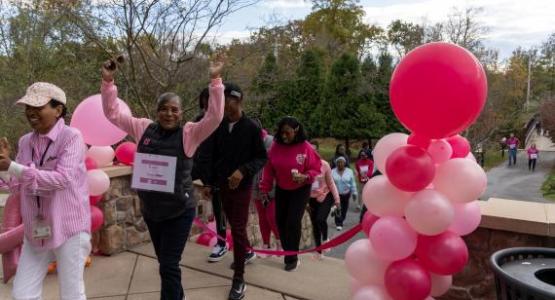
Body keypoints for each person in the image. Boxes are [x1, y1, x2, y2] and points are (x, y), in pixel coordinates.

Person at [101, 57, 224, 300]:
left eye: (174, 109)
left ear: (181, 113)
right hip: (153, 211)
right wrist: (108, 81)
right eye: (164, 108)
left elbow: (214, 118)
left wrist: (216, 81)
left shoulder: (190, 133)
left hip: (179, 211)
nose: (169, 113)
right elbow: (113, 113)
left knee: (168, 265)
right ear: (157, 111)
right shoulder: (143, 128)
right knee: (166, 265)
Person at [0, 82, 91, 300]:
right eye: (27, 106)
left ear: (58, 110)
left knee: (71, 293)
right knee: (22, 294)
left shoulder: (72, 137)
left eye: (38, 106)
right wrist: (4, 169)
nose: (31, 111)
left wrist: (14, 167)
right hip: (36, 230)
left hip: (69, 228)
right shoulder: (25, 142)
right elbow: (16, 187)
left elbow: (62, 179)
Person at [203, 82, 268, 300]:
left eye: (227, 100)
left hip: (241, 188)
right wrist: (209, 183)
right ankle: (247, 252)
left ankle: (239, 279)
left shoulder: (251, 127)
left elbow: (261, 157)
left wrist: (242, 170)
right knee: (232, 225)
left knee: (238, 229)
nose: (223, 104)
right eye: (220, 100)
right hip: (221, 186)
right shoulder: (218, 125)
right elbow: (211, 156)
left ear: (238, 100)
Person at [260, 116, 321, 272]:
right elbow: (269, 169)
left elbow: (316, 168)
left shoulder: (305, 147)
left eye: (287, 132)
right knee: (280, 222)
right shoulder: (275, 146)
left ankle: (292, 257)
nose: (284, 136)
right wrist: (265, 188)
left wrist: (305, 176)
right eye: (281, 133)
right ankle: (288, 251)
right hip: (282, 188)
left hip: (300, 189)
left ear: (296, 130)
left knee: (293, 222)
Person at [191, 88, 229, 263]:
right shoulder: (198, 121)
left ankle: (222, 243)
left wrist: (211, 182)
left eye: (213, 100)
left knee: (220, 208)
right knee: (176, 188)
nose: (209, 103)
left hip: (218, 174)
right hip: (199, 168)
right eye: (206, 100)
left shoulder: (224, 123)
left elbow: (221, 153)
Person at [309, 142, 340, 260]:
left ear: (318, 152)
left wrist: (337, 200)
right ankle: (318, 252)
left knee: (320, 219)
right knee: (315, 225)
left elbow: (331, 183)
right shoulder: (305, 166)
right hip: (312, 199)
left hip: (326, 196)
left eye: (314, 151)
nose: (312, 153)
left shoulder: (325, 165)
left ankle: (326, 239)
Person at [253, 128, 281, 257]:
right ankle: (266, 246)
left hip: (271, 189)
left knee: (271, 217)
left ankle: (280, 244)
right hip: (256, 188)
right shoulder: (250, 142)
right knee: (262, 218)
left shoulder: (271, 141)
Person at [332, 156, 358, 231]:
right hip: (336, 193)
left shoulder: (349, 171)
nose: (340, 164)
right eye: (338, 162)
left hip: (346, 193)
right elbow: (330, 183)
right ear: (336, 163)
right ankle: (338, 223)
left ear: (344, 163)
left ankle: (341, 218)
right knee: (338, 207)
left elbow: (352, 183)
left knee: (344, 208)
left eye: (342, 162)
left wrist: (354, 193)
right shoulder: (332, 171)